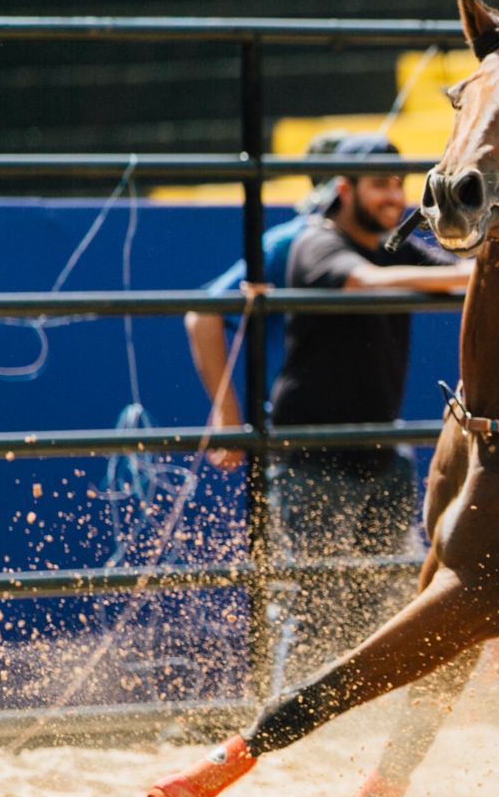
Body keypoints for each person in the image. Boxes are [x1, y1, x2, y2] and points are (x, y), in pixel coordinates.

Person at [263, 132, 472, 686]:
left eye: (399, 184)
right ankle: (287, 718)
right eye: (380, 184)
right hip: (313, 457)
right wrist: (472, 273)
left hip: (380, 453)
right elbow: (368, 281)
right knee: (315, 604)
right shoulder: (317, 243)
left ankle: (343, 713)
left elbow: (447, 280)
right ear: (343, 188)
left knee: (376, 597)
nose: (394, 197)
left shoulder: (391, 244)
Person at [185, 128, 349, 472]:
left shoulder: (381, 244)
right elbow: (204, 312)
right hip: (300, 438)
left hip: (370, 429)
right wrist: (228, 417)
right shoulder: (288, 242)